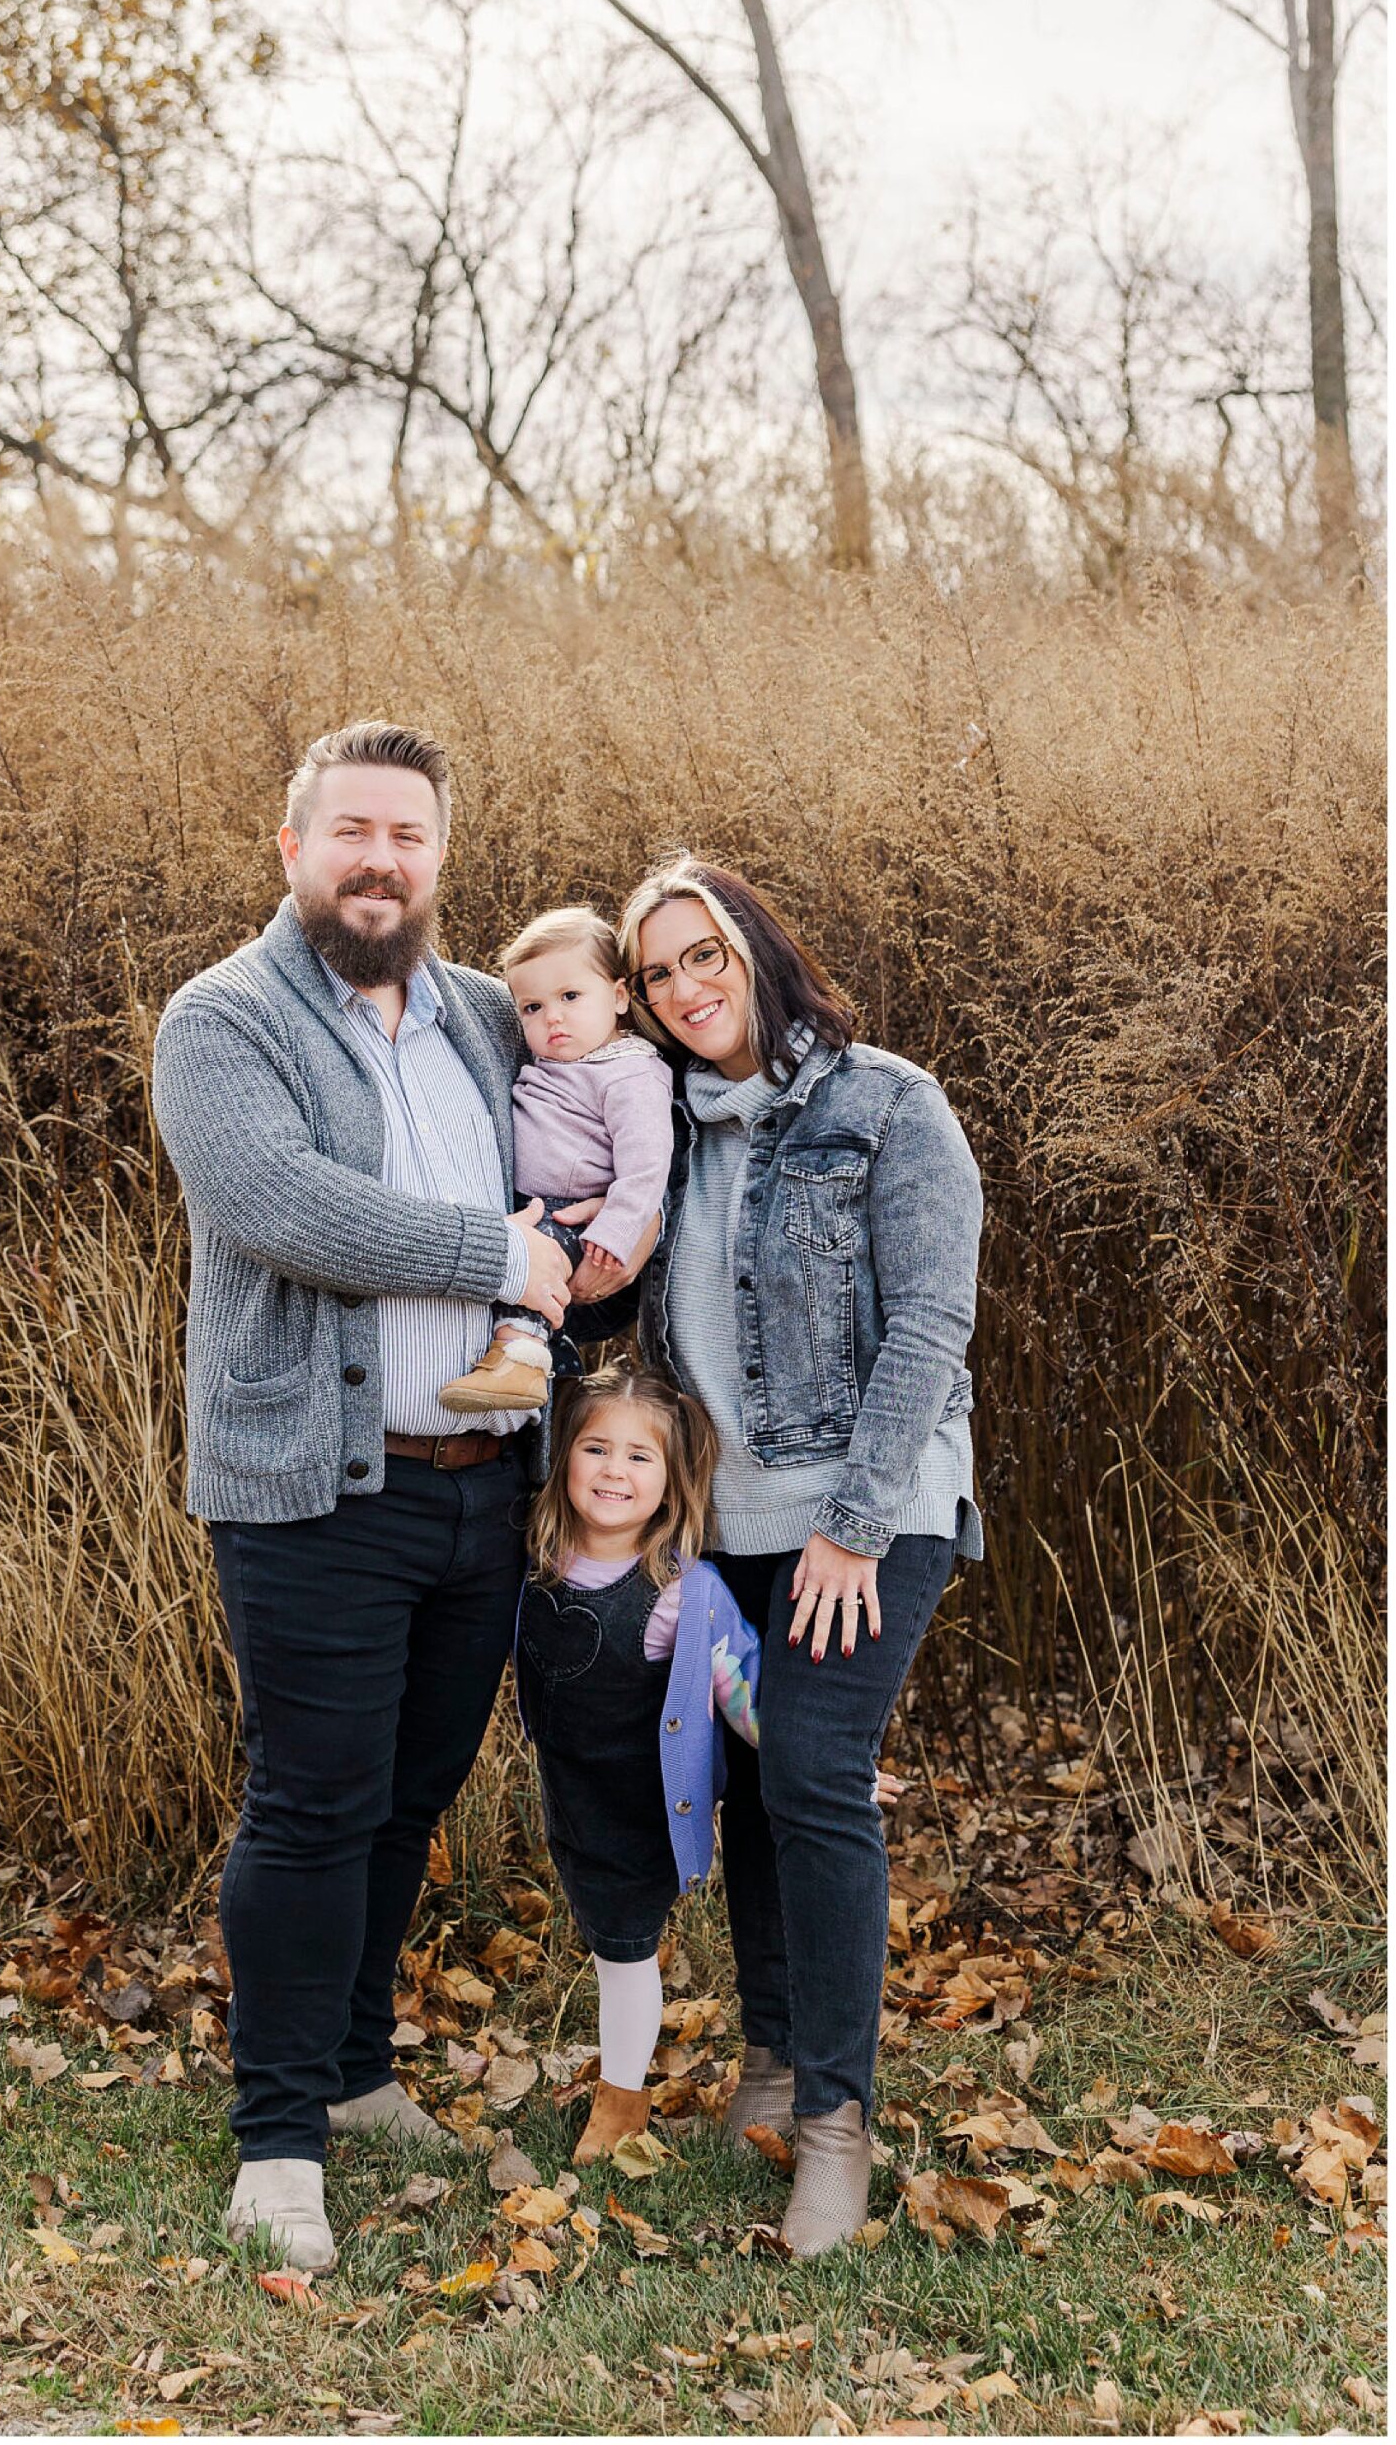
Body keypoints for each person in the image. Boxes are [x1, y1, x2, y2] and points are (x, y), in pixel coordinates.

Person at [149, 719, 657, 2272]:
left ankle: (357, 2074)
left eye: (409, 837)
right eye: (352, 831)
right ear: (290, 847)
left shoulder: (492, 1015)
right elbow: (279, 1206)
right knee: (309, 1804)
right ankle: (278, 2145)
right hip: (314, 1482)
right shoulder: (222, 1020)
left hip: (486, 1486)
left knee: (404, 1800)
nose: (382, 860)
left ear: (441, 859)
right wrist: (501, 1258)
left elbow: (612, 1125)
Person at [617, 853, 983, 2257]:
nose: (684, 988)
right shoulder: (665, 1130)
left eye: (703, 953)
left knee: (818, 1771)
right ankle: (769, 2060)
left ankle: (834, 2123)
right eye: (657, 973)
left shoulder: (889, 1103)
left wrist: (854, 1524)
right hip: (725, 1524)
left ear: (758, 949)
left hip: (867, 1509)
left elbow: (931, 1327)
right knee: (756, 1784)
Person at [514, 1366, 760, 2162]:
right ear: (563, 1457)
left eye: (639, 1458)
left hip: (639, 1810)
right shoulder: (534, 1555)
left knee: (623, 1952)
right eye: (595, 1448)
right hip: (569, 1798)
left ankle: (622, 2103)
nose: (614, 1472)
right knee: (601, 1939)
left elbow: (748, 1698)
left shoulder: (684, 1593)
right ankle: (617, 2081)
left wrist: (829, 1768)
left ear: (673, 1480)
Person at [439, 908, 674, 1415]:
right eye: (532, 1007)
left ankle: (519, 1360)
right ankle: (553, 1369)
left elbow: (646, 1166)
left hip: (570, 1212)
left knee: (530, 1277)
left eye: (570, 997)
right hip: (526, 1201)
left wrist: (616, 1231)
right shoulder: (559, 1060)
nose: (553, 1018)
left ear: (617, 996)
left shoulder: (630, 1073)